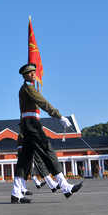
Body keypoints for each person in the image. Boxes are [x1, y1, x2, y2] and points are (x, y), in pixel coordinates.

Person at [11, 64, 83, 204]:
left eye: (33, 72)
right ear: (24, 76)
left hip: (27, 126)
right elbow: (43, 102)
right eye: (29, 73)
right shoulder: (28, 88)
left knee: (24, 161)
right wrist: (59, 116)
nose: (33, 74)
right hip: (32, 125)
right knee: (48, 151)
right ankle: (65, 186)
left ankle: (16, 193)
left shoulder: (25, 89)